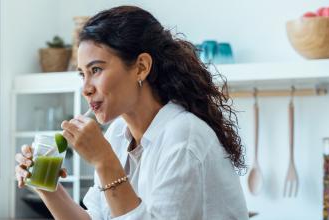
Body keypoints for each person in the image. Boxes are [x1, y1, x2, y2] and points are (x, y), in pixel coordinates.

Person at [15, 5, 248, 220]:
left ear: (141, 67)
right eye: (81, 74)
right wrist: (47, 186)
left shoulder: (183, 136)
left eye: (96, 69)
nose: (86, 88)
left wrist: (104, 161)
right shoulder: (118, 134)